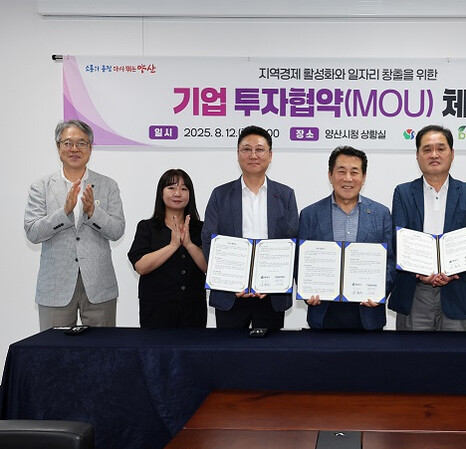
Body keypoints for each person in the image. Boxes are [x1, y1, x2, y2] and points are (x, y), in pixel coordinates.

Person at [24, 119, 125, 330]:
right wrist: (64, 212)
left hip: (99, 285)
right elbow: (33, 232)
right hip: (55, 286)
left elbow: (117, 231)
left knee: (103, 348)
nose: (74, 149)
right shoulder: (41, 186)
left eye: (81, 143)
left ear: (90, 148)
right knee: (53, 349)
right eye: (68, 143)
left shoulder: (108, 185)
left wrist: (93, 213)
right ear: (58, 146)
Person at [389, 125, 466, 331]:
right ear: (417, 156)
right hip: (415, 291)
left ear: (452, 153)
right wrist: (419, 272)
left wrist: (452, 271)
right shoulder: (403, 193)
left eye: (441, 148)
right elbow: (398, 240)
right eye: (427, 149)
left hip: (458, 289)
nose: (434, 154)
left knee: (455, 351)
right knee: (412, 350)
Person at [202, 125, 299, 329]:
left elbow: (292, 243)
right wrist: (230, 283)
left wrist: (273, 282)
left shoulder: (285, 195)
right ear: (238, 154)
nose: (253, 155)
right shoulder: (220, 195)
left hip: (271, 295)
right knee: (229, 349)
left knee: (270, 349)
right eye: (246, 149)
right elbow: (209, 240)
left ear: (270, 155)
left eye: (260, 149)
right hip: (230, 295)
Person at [298, 146, 394, 330]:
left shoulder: (381, 214)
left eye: (354, 172)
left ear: (364, 177)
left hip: (368, 314)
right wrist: (307, 290)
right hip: (324, 313)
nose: (348, 178)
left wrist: (381, 291)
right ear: (330, 175)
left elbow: (390, 260)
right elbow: (300, 261)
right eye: (341, 171)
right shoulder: (310, 214)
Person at [128, 169, 208, 328]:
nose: (177, 193)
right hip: (156, 308)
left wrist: (189, 245)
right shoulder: (147, 227)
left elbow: (209, 268)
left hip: (193, 307)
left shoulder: (201, 228)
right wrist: (173, 245)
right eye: (171, 188)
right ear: (161, 193)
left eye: (184, 189)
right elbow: (141, 267)